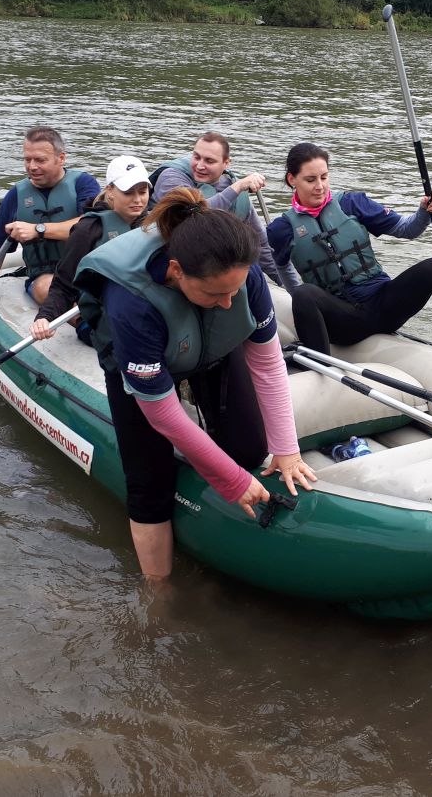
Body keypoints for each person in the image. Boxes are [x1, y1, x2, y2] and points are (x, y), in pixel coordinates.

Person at [72, 187, 316, 579]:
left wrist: (286, 451)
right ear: (175, 271)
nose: (228, 301)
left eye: (233, 291)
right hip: (139, 364)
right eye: (216, 293)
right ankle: (160, 593)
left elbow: (269, 365)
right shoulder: (131, 301)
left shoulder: (243, 274)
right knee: (149, 485)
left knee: (250, 447)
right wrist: (231, 481)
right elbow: (164, 416)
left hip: (211, 347)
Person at [265, 143, 432, 372]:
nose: (320, 186)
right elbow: (283, 269)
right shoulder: (281, 229)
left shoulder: (352, 203)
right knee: (304, 293)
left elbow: (407, 229)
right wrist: (304, 304)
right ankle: (323, 367)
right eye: (311, 180)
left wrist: (424, 210)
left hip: (383, 305)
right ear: (292, 179)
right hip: (343, 322)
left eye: (324, 177)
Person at [0, 126, 100, 317]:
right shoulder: (15, 196)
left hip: (84, 268)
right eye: (27, 159)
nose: (32, 166)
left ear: (61, 158)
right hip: (45, 275)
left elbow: (91, 226)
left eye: (40, 160)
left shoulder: (84, 184)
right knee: (47, 287)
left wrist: (38, 230)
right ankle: (87, 327)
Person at [150, 131, 300, 288]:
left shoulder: (234, 191)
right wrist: (237, 187)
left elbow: (262, 247)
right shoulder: (171, 177)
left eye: (209, 161)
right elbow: (192, 213)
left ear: (226, 163)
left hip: (208, 264)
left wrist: (289, 287)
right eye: (196, 157)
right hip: (165, 264)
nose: (200, 165)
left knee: (251, 270)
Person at [29, 155, 153, 345]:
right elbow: (63, 284)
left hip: (142, 313)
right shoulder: (88, 229)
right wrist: (45, 317)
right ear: (110, 191)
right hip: (99, 320)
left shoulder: (152, 226)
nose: (138, 199)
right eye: (128, 193)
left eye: (143, 191)